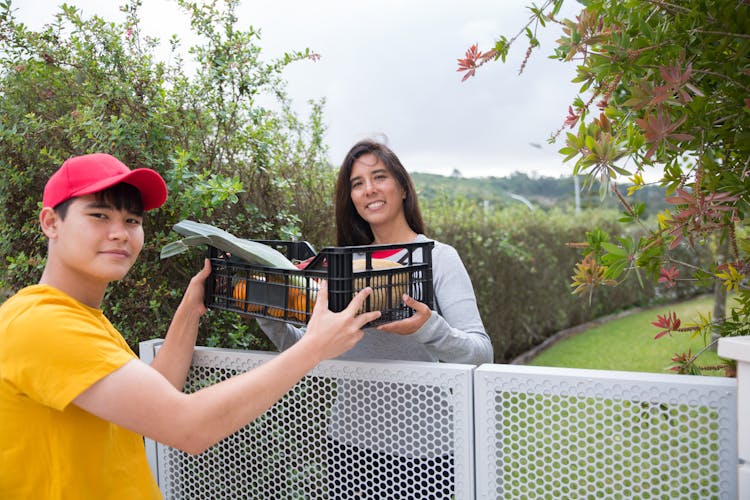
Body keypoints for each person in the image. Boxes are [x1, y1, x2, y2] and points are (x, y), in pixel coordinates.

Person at [0, 153, 380, 499]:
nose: (120, 232)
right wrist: (312, 347)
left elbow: (156, 399)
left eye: (132, 220)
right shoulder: (42, 323)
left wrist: (190, 308)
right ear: (51, 222)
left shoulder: (80, 318)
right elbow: (188, 427)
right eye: (99, 216)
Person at [257, 138, 493, 498]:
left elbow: (481, 352)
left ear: (401, 187)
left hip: (428, 454)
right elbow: (306, 351)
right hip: (349, 450)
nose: (369, 190)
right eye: (357, 183)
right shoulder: (339, 268)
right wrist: (268, 311)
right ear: (351, 198)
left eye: (379, 177)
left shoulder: (440, 258)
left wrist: (429, 327)